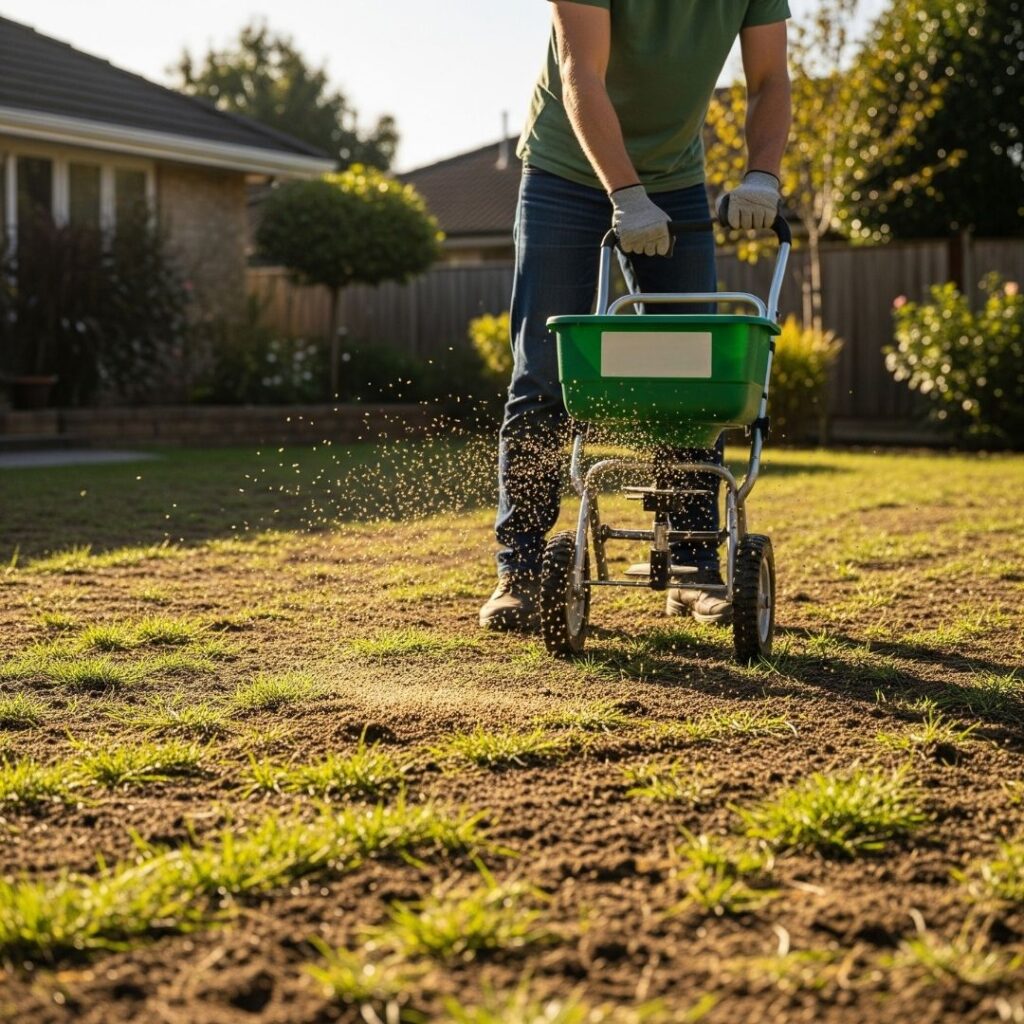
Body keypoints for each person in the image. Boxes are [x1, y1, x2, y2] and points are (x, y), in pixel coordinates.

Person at [480, 0, 792, 632]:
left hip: (675, 175)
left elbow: (770, 79)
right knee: (544, 370)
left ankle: (693, 562)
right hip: (566, 171)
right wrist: (625, 194)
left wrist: (762, 175)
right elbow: (579, 71)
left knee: (694, 377)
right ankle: (521, 568)